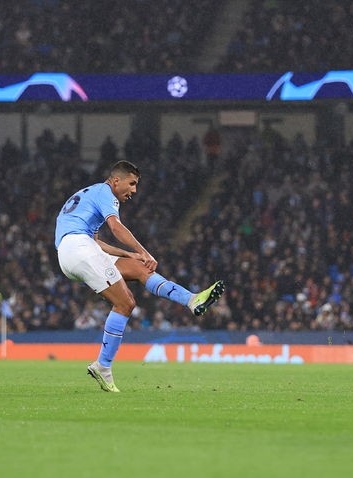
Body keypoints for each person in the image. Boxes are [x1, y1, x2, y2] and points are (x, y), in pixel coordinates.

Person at [54, 160, 225, 392]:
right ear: (116, 181)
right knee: (125, 303)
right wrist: (144, 251)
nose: (134, 191)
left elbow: (96, 242)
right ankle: (102, 366)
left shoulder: (88, 195)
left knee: (140, 270)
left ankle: (192, 300)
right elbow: (115, 227)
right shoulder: (106, 193)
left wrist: (129, 254)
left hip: (75, 250)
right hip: (78, 249)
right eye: (131, 184)